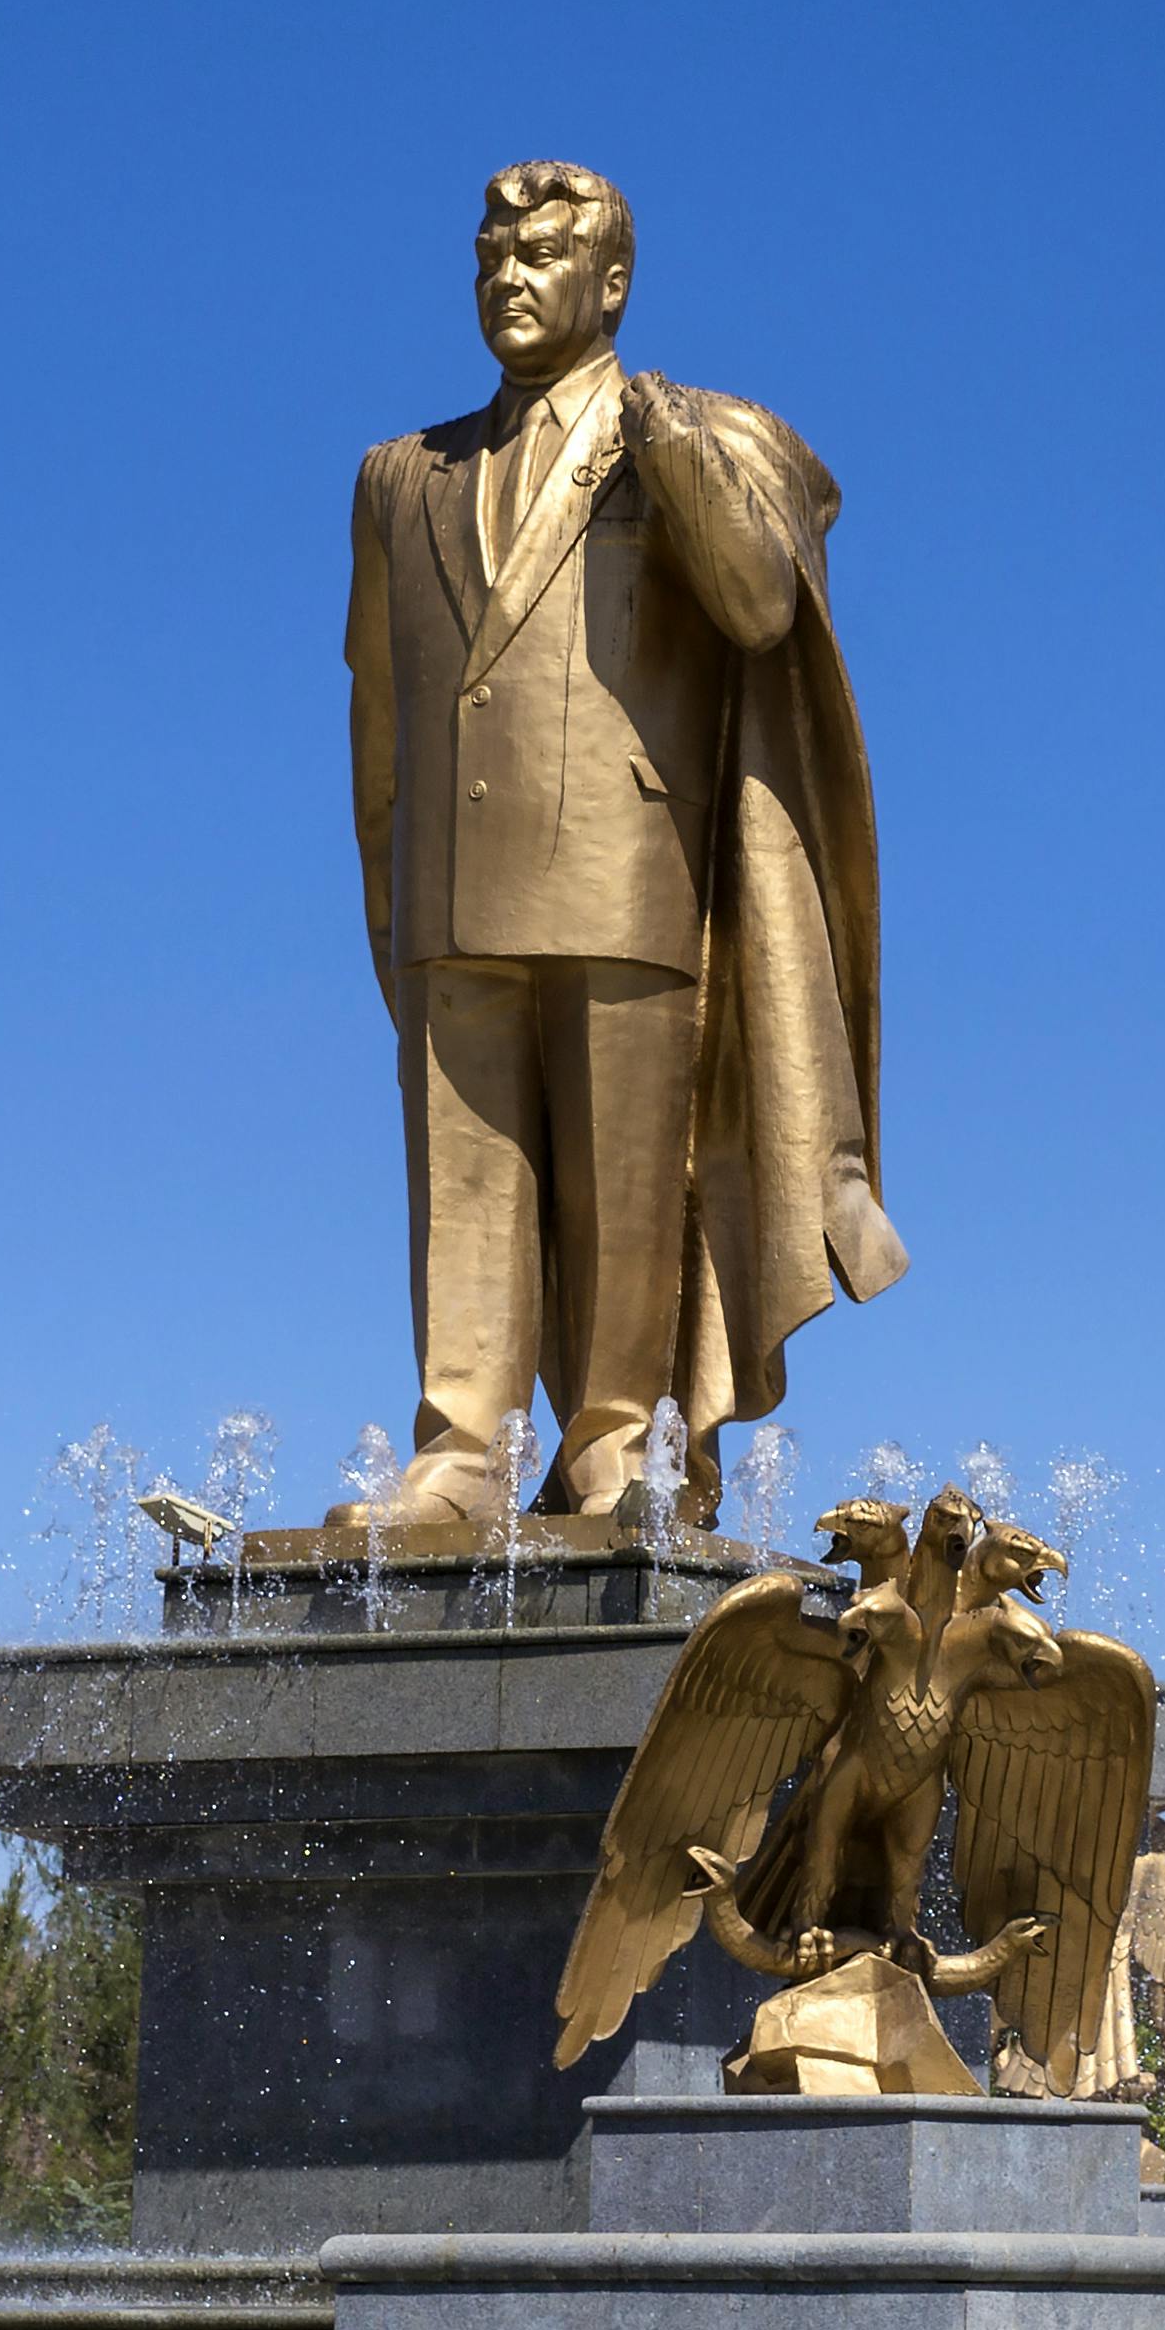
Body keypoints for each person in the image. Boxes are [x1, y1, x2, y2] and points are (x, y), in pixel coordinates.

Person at [340, 159, 901, 1527]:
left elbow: (763, 605)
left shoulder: (688, 433)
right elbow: (375, 707)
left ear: (614, 284)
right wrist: (389, 890)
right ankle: (460, 1450)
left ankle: (612, 1439)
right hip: (448, 890)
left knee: (624, 1187)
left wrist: (673, 448)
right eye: (492, 257)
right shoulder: (400, 475)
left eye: (542, 256)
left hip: (627, 874)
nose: (511, 278)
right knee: (462, 1188)